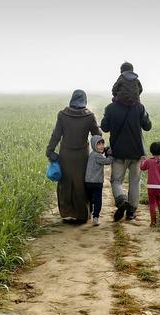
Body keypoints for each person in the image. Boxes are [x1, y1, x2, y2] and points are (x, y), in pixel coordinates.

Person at [46, 89, 102, 222]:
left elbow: (56, 135)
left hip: (66, 154)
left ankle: (67, 213)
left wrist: (50, 150)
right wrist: (100, 149)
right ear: (84, 100)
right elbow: (97, 134)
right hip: (82, 155)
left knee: (65, 182)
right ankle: (82, 214)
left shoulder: (62, 115)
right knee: (81, 183)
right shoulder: (89, 116)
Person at [100, 90, 152, 222]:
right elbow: (147, 126)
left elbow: (104, 128)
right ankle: (131, 212)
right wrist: (143, 112)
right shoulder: (139, 107)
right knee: (135, 182)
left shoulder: (111, 108)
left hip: (118, 152)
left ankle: (121, 200)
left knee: (116, 181)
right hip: (137, 152)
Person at [85, 135, 114, 226]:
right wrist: (110, 154)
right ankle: (96, 217)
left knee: (89, 199)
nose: (101, 146)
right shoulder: (97, 156)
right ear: (94, 145)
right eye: (98, 144)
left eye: (102, 144)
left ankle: (89, 212)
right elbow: (108, 161)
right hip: (96, 183)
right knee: (98, 201)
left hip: (88, 182)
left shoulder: (91, 154)